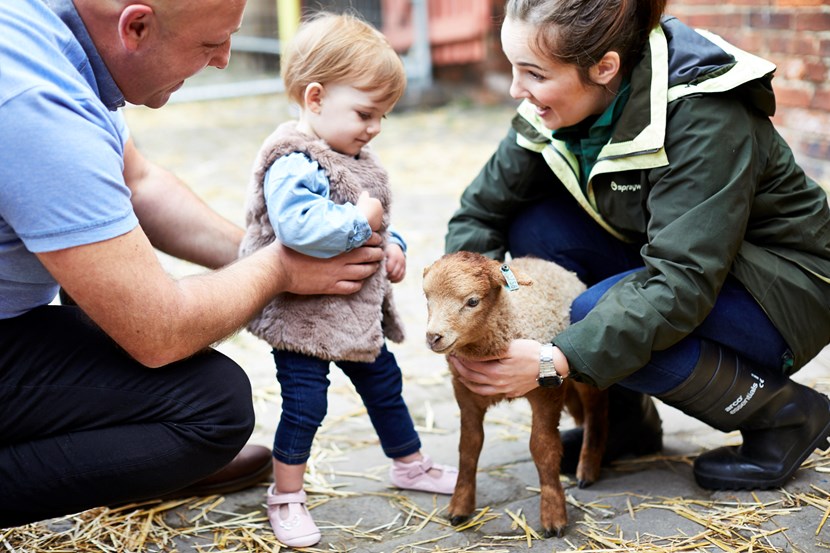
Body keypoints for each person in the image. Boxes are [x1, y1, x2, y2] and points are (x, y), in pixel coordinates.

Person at [0, 0, 386, 528]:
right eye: (210, 43)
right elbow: (158, 331)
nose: (225, 58)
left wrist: (270, 250)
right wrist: (281, 270)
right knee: (212, 408)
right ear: (135, 26)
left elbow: (139, 183)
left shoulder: (48, 34)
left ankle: (124, 459)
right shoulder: (36, 103)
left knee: (104, 253)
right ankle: (125, 452)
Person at [445, 0, 830, 491]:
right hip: (693, 263)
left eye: (533, 73)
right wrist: (470, 307)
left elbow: (681, 282)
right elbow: (482, 212)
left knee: (591, 315)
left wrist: (553, 359)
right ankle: (624, 423)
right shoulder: (559, 102)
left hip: (780, 289)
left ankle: (785, 416)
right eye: (513, 68)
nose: (518, 90)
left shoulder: (703, 111)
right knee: (535, 228)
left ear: (605, 66)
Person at [238, 12, 457, 548]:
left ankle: (408, 462)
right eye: (365, 112)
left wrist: (396, 246)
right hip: (304, 319)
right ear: (315, 98)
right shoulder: (293, 160)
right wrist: (364, 222)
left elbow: (377, 219)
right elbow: (300, 226)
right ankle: (286, 495)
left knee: (386, 385)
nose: (375, 126)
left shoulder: (351, 155)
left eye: (383, 115)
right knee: (306, 405)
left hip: (353, 317)